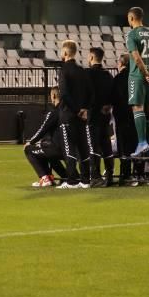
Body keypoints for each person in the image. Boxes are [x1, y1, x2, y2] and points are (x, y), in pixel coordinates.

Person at [56, 40, 92, 189]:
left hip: (69, 115)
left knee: (68, 147)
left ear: (65, 53)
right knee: (83, 147)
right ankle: (85, 180)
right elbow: (91, 92)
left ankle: (72, 181)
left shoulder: (64, 70)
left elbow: (64, 94)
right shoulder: (82, 71)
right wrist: (85, 109)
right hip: (82, 116)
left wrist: (76, 110)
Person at [126, 6, 149, 157]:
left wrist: (146, 73)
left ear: (132, 18)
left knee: (138, 108)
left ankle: (142, 143)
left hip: (137, 76)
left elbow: (136, 57)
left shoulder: (132, 34)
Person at [25, 87, 67, 188]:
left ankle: (45, 178)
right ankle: (64, 176)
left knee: (29, 150)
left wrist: (30, 142)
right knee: (45, 149)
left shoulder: (54, 112)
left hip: (59, 149)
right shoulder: (67, 111)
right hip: (71, 149)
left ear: (53, 96)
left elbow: (42, 129)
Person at [85, 47, 114, 186]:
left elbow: (87, 95)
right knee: (106, 144)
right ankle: (109, 174)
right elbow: (113, 94)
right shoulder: (108, 75)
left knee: (93, 146)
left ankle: (95, 177)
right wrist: (108, 105)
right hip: (105, 115)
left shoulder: (88, 74)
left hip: (93, 116)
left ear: (91, 57)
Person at [110, 53, 137, 184]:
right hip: (135, 116)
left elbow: (113, 99)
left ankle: (125, 175)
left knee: (123, 148)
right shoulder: (135, 78)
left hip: (121, 117)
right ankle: (138, 173)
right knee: (135, 145)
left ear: (121, 64)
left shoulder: (117, 79)